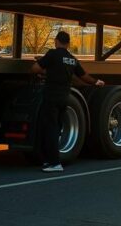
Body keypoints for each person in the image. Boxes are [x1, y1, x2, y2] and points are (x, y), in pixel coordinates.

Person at [32, 31, 104, 172]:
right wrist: (97, 82)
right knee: (57, 128)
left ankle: (54, 163)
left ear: (56, 41)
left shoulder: (52, 54)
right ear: (69, 44)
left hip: (51, 97)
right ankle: (50, 161)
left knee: (50, 129)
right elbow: (84, 76)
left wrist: (45, 68)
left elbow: (34, 69)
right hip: (65, 98)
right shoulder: (72, 59)